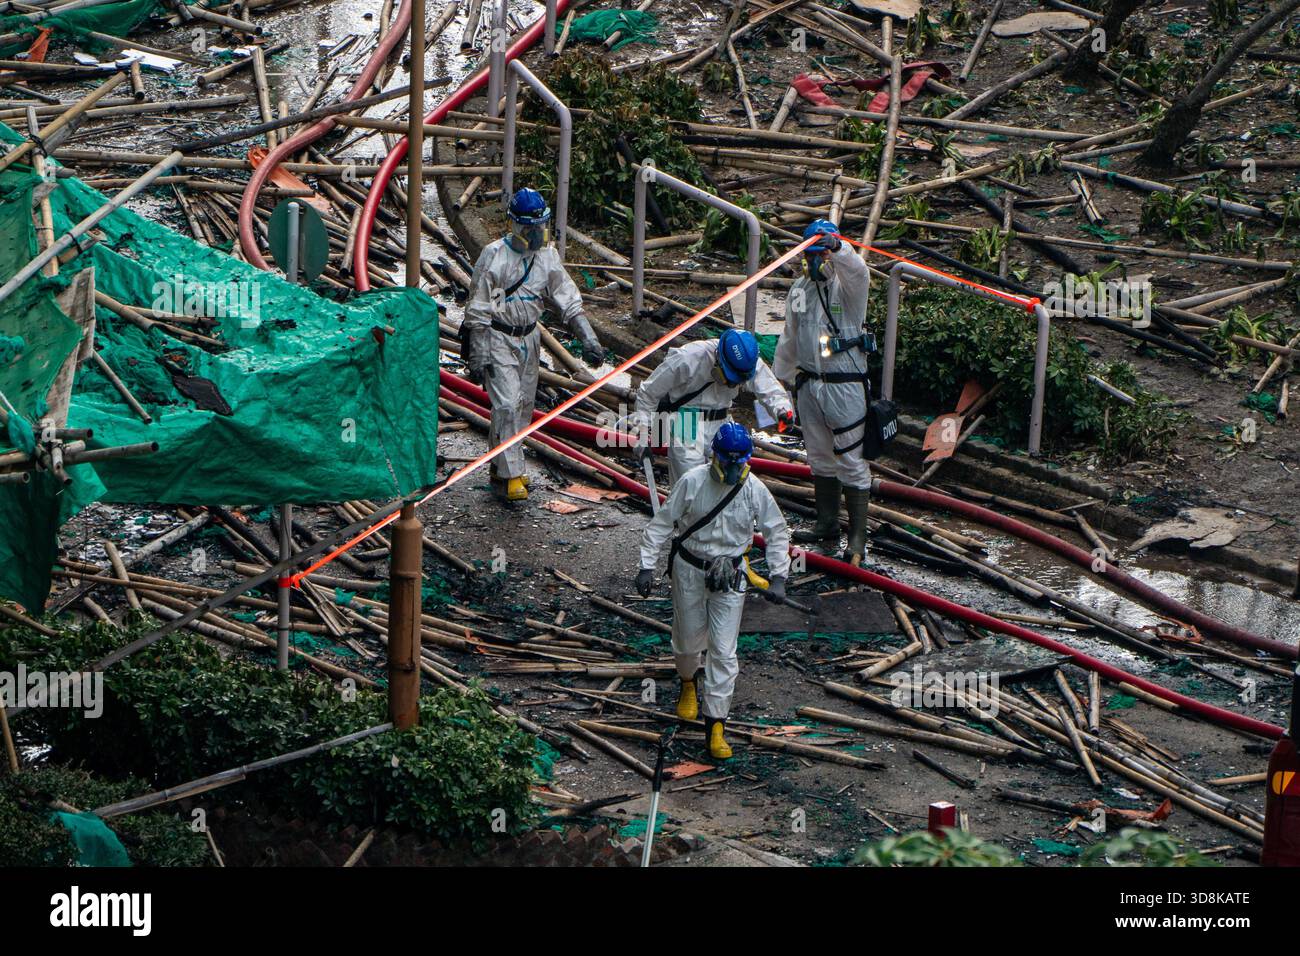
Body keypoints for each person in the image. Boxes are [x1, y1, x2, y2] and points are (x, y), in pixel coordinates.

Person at [635, 422, 791, 760]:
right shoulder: (691, 483)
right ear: (714, 458)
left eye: (740, 464)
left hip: (730, 576)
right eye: (728, 463)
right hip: (690, 569)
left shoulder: (754, 489)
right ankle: (688, 682)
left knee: (723, 650)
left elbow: (777, 532)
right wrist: (646, 566)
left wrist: (779, 576)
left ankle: (716, 724)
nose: (734, 470)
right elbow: (661, 523)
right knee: (688, 639)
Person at [463, 188, 604, 501]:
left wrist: (587, 335)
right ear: (516, 226)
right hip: (498, 336)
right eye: (530, 229)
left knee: (523, 405)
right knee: (505, 404)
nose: (536, 235)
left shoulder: (546, 257)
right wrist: (478, 352)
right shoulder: (494, 255)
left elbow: (565, 294)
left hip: (530, 337)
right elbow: (479, 305)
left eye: (540, 227)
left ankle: (500, 464)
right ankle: (514, 475)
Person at [772, 218, 874, 564]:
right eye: (809, 256)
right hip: (810, 383)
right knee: (818, 456)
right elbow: (790, 336)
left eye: (818, 254)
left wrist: (837, 248)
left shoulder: (848, 288)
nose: (814, 263)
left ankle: (857, 538)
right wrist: (780, 383)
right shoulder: (800, 290)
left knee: (851, 460)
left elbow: (858, 270)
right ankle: (827, 522)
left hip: (845, 385)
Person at [631, 330, 793, 487]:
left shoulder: (748, 361)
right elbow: (648, 393)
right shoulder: (688, 358)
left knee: (727, 484)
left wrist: (783, 410)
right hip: (688, 422)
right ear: (719, 359)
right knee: (690, 485)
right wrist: (643, 432)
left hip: (722, 422)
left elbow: (770, 389)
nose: (732, 385)